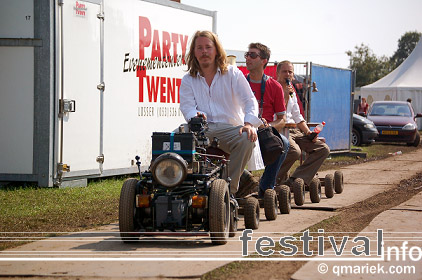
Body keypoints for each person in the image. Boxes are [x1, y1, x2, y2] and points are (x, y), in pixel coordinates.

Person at [179, 30, 262, 195]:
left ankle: (226, 191)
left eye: (208, 47)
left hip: (230, 129)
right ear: (194, 52)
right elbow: (187, 106)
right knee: (170, 140)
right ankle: (176, 186)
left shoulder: (232, 73)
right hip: (202, 130)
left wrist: (248, 124)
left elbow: (250, 100)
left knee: (247, 137)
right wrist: (194, 116)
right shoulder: (188, 79)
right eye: (200, 48)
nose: (204, 52)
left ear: (216, 50)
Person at [275, 60, 330, 187]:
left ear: (293, 75)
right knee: (294, 151)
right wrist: (285, 97)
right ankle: (272, 180)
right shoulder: (272, 88)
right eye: (284, 71)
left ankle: (295, 180)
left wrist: (308, 132)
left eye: (290, 72)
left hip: (295, 130)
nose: (287, 74)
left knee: (322, 149)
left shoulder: (292, 91)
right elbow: (275, 114)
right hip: (280, 129)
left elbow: (297, 116)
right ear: (278, 73)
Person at [245, 43, 289, 197]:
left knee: (284, 143)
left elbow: (282, 119)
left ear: (264, 61)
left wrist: (268, 126)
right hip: (243, 129)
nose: (247, 58)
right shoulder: (240, 83)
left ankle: (265, 188)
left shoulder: (275, 86)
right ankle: (244, 185)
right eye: (247, 54)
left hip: (264, 131)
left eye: (253, 55)